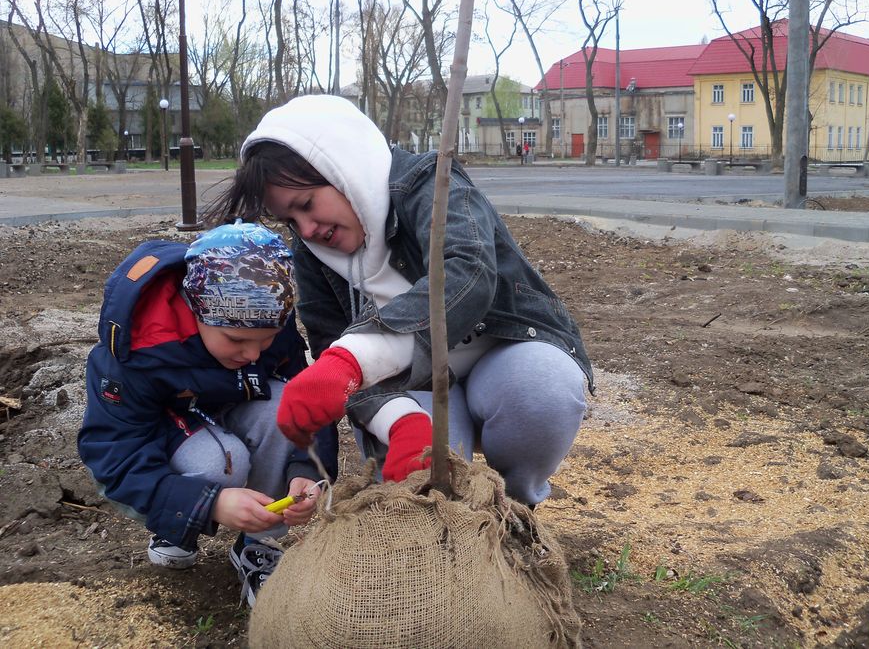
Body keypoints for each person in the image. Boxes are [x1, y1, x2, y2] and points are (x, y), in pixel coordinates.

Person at [205, 94, 594, 507]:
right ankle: (451, 537)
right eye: (290, 220)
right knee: (429, 483)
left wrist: (351, 358)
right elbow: (330, 344)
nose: (307, 228)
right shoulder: (312, 251)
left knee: (539, 391)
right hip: (415, 383)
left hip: (503, 351)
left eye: (306, 205)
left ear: (343, 168)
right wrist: (399, 419)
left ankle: (516, 509)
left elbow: (468, 273)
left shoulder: (432, 183)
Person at [78, 221, 338, 608]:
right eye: (236, 340)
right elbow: (115, 454)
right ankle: (174, 525)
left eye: (265, 341)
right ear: (194, 309)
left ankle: (259, 543)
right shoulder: (137, 350)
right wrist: (208, 503)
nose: (253, 354)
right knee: (221, 464)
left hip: (230, 406)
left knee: (287, 405)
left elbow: (310, 400)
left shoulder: (265, 321)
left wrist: (306, 472)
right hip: (167, 431)